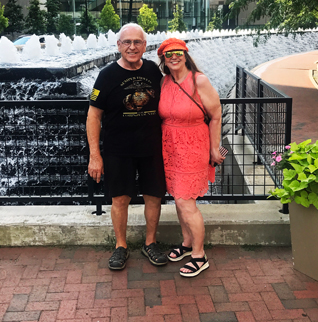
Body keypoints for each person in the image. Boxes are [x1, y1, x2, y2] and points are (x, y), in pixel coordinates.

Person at [87, 23, 167, 270]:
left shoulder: (154, 71)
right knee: (120, 199)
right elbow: (93, 116)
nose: (132, 47)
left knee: (154, 197)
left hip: (152, 148)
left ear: (145, 45)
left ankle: (150, 243)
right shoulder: (107, 75)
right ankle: (120, 246)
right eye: (127, 42)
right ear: (119, 46)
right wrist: (95, 155)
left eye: (137, 42)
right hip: (118, 150)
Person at [157, 38, 225, 277]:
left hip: (193, 146)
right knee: (178, 198)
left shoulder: (199, 80)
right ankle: (187, 243)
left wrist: (214, 148)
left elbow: (216, 115)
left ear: (185, 55)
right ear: (163, 59)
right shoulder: (165, 81)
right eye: (168, 54)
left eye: (178, 53)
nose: (174, 57)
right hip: (170, 148)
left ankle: (199, 255)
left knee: (187, 202)